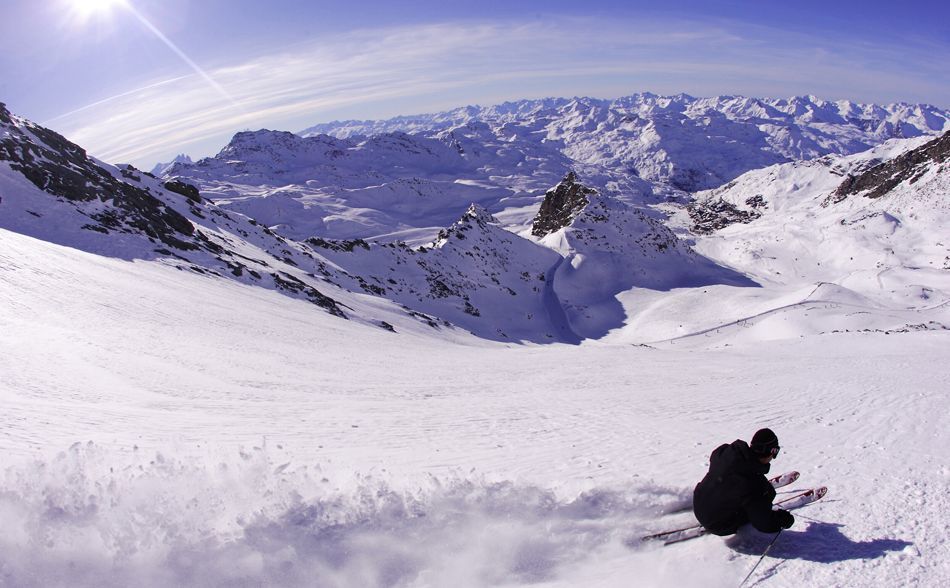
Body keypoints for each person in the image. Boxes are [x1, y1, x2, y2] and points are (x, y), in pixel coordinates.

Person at [692, 428, 795, 535]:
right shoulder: (753, 484)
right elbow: (764, 524)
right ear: (772, 451)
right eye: (775, 452)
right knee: (765, 495)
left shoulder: (726, 452)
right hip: (718, 525)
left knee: (762, 492)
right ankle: (753, 505)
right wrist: (781, 520)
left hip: (698, 502)